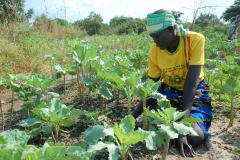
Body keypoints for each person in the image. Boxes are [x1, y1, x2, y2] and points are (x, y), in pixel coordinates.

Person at [132, 9, 213, 157]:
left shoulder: (194, 40)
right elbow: (152, 86)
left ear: (171, 30)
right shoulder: (155, 50)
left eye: (157, 36)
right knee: (151, 121)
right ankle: (172, 122)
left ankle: (175, 124)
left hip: (195, 91)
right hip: (169, 90)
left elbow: (191, 84)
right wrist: (132, 117)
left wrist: (182, 128)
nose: (155, 42)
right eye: (152, 37)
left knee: (195, 137)